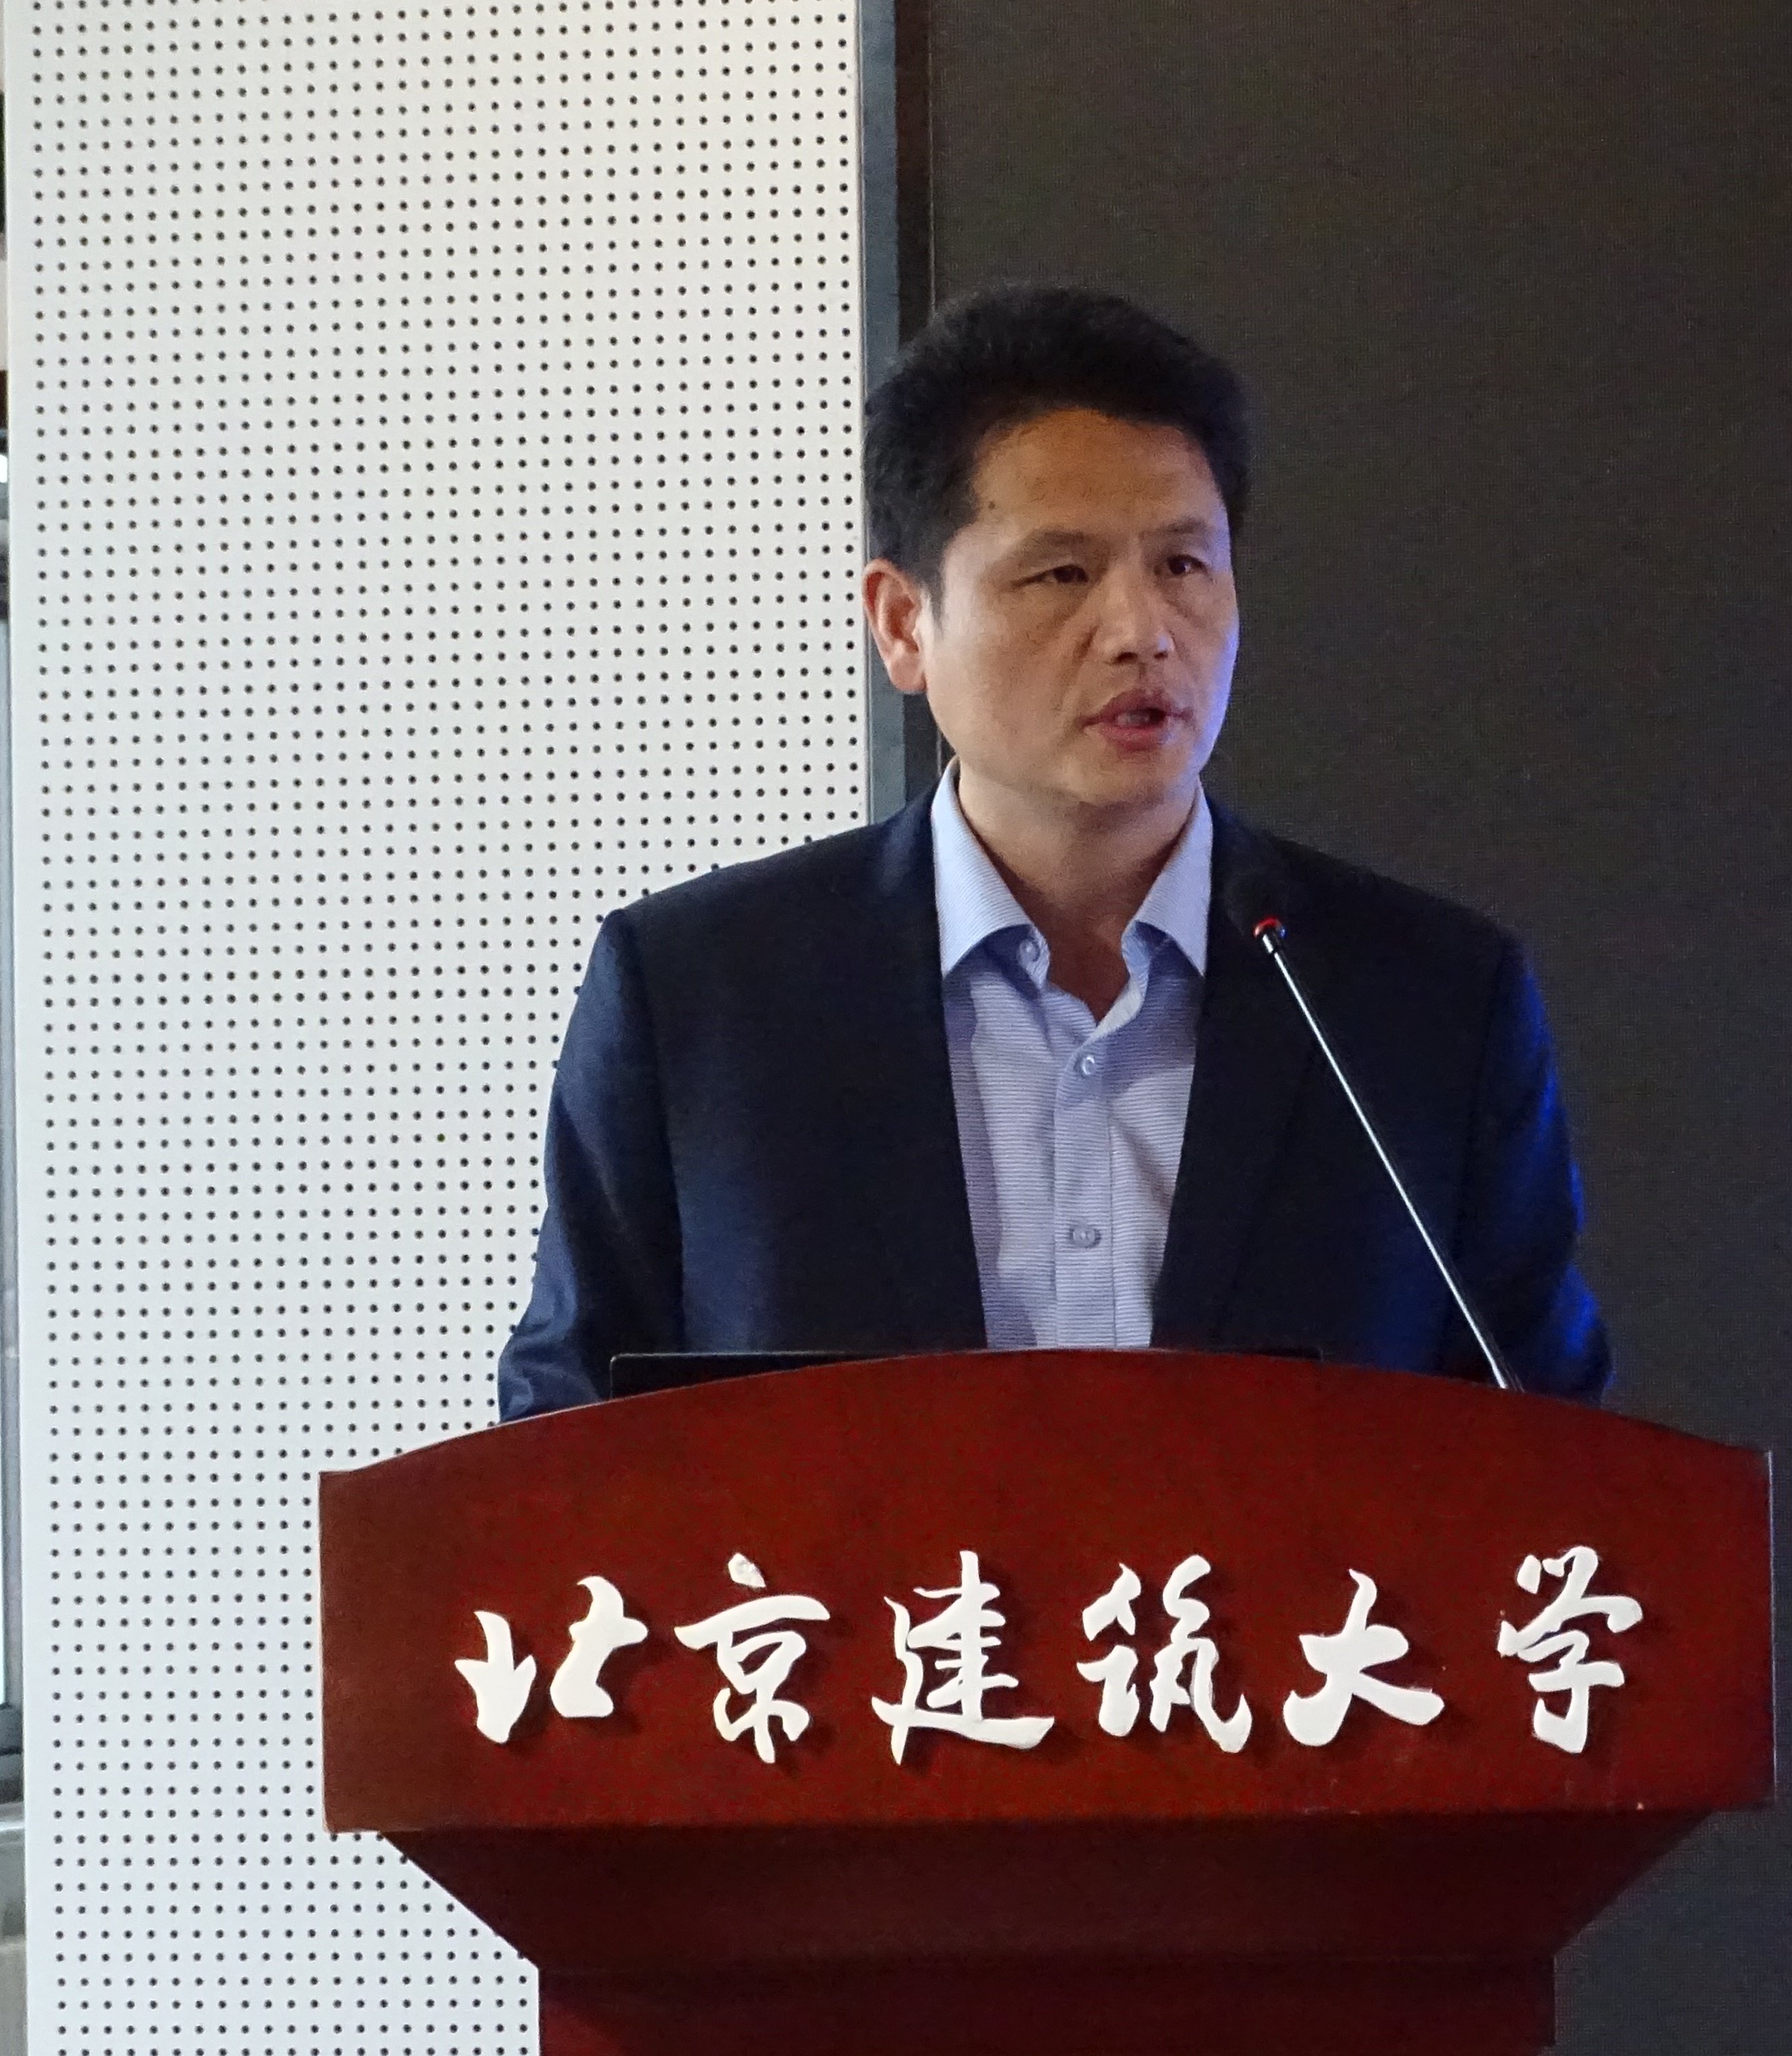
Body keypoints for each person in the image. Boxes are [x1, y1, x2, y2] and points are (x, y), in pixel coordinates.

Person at [496, 286, 1609, 1414]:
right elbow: (561, 1435)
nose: (1142, 632)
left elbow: (1558, 1451)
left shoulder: (1424, 1005)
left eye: (1184, 565)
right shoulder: (701, 997)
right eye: (1062, 574)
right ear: (903, 623)